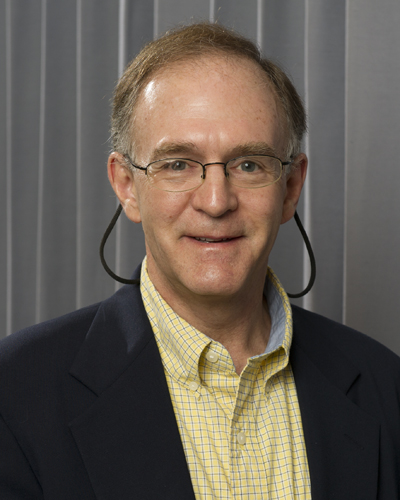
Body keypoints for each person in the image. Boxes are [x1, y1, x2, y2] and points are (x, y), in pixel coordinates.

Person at [0, 22, 399, 500]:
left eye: (249, 164)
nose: (215, 201)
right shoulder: (15, 393)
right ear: (127, 186)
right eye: (177, 164)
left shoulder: (386, 387)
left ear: (291, 187)